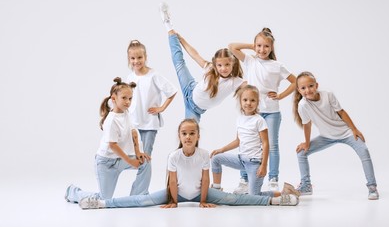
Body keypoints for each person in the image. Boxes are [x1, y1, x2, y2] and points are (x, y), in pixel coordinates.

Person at [79, 119, 299, 209]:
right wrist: (173, 201)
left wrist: (203, 200)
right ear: (179, 136)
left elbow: (206, 179)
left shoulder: (203, 154)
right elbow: (171, 181)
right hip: (176, 194)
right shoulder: (173, 157)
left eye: (192, 134)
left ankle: (279, 200)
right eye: (184, 134)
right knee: (143, 200)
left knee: (235, 199)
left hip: (200, 193)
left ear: (197, 136)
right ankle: (101, 204)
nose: (188, 137)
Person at [228, 28, 296, 194]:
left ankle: (273, 179)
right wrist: (251, 46)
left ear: (272, 48)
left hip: (271, 112)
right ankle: (244, 180)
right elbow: (231, 47)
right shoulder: (250, 61)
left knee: (271, 146)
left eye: (266, 46)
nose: (262, 49)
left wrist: (280, 95)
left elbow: (295, 82)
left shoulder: (277, 66)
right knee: (245, 144)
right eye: (259, 45)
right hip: (251, 112)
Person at [293, 71, 379, 200]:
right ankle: (306, 186)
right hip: (326, 136)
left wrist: (354, 129)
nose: (308, 90)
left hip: (345, 133)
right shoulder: (303, 105)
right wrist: (307, 142)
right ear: (299, 90)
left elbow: (341, 112)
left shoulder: (328, 95)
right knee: (301, 153)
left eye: (310, 86)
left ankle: (372, 187)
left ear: (316, 85)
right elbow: (307, 125)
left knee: (364, 151)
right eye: (303, 88)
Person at [65, 77, 151, 203]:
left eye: (130, 98)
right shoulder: (111, 120)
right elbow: (113, 146)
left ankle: (136, 197)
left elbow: (133, 132)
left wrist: (138, 152)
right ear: (114, 99)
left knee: (145, 162)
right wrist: (130, 161)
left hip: (120, 159)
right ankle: (72, 192)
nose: (128, 102)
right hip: (106, 163)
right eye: (124, 98)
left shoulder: (126, 112)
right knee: (104, 199)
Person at [159, 2, 246, 122]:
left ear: (233, 64)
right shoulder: (211, 68)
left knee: (190, 134)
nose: (223, 68)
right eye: (219, 65)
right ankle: (168, 24)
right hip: (189, 88)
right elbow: (194, 55)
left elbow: (254, 88)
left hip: (194, 109)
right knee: (178, 61)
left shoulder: (235, 81)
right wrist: (182, 39)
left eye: (227, 65)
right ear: (215, 64)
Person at [210, 85, 299, 197]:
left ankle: (283, 193)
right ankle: (217, 190)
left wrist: (264, 166)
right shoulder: (240, 119)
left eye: (252, 100)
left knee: (254, 196)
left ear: (257, 103)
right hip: (241, 160)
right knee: (216, 158)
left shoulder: (259, 120)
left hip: (254, 163)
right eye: (245, 100)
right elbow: (238, 141)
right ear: (240, 101)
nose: (248, 103)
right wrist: (222, 149)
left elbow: (266, 144)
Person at [126, 40, 177, 179]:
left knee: (145, 156)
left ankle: (141, 192)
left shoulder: (154, 75)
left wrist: (161, 108)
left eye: (139, 57)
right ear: (129, 59)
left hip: (149, 123)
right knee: (133, 156)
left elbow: (172, 91)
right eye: (133, 58)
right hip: (133, 122)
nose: (136, 61)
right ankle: (140, 192)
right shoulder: (130, 77)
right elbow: (127, 98)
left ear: (145, 57)